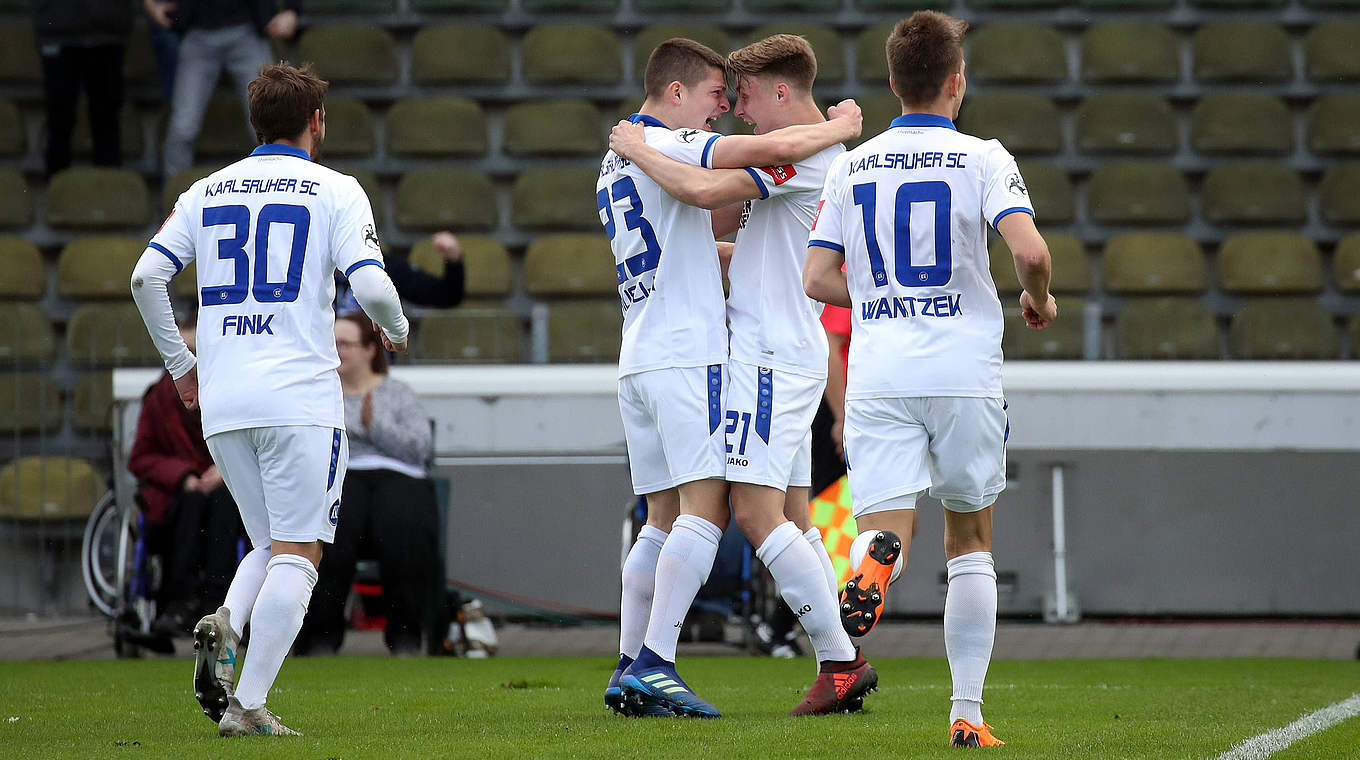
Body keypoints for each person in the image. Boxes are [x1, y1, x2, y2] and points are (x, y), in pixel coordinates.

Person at [130, 62, 410, 737]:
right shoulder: (336, 189)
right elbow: (371, 287)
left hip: (225, 402)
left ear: (257, 122)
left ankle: (225, 624)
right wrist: (396, 330)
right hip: (300, 400)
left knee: (267, 540)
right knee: (301, 552)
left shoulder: (206, 191)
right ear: (317, 121)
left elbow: (146, 276)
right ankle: (246, 704)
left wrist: (181, 367)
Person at [801, 11, 1057, 747]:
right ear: (956, 83)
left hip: (879, 373)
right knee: (969, 539)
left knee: (884, 524)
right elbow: (1032, 254)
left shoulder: (850, 165)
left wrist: (884, 299)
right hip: (961, 370)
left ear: (891, 83)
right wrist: (1036, 298)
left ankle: (874, 562)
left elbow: (816, 277)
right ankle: (967, 714)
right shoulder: (984, 158)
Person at [606, 35, 875, 716]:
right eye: (723, 100)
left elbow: (703, 190)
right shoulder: (814, 154)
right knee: (786, 514)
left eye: (745, 99)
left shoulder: (808, 151)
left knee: (742, 511)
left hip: (763, 352)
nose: (737, 115)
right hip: (764, 347)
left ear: (781, 92)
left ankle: (655, 662)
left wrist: (638, 147)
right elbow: (725, 227)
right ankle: (838, 661)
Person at [294, 312, 439, 656]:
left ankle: (405, 636)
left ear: (370, 350)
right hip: (341, 477)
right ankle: (320, 639)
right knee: (334, 532)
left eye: (344, 343)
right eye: (332, 343)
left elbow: (420, 449)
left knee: (402, 526)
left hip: (397, 475)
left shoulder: (397, 393)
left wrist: (375, 428)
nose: (337, 350)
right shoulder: (315, 392)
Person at [128, 311, 247, 636]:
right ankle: (180, 601)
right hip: (175, 496)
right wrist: (184, 476)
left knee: (223, 501)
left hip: (226, 486)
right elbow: (141, 457)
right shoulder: (158, 398)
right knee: (193, 500)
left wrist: (222, 468)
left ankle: (220, 602)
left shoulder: (234, 392)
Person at [157, 0, 301, 179]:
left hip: (249, 30)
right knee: (183, 126)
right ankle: (174, 202)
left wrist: (292, 9)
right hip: (196, 31)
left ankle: (288, 192)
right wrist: (149, 4)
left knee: (272, 120)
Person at [34, 0, 132, 177]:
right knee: (59, 119)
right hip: (57, 30)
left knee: (107, 120)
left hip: (107, 32)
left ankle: (110, 191)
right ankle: (57, 192)